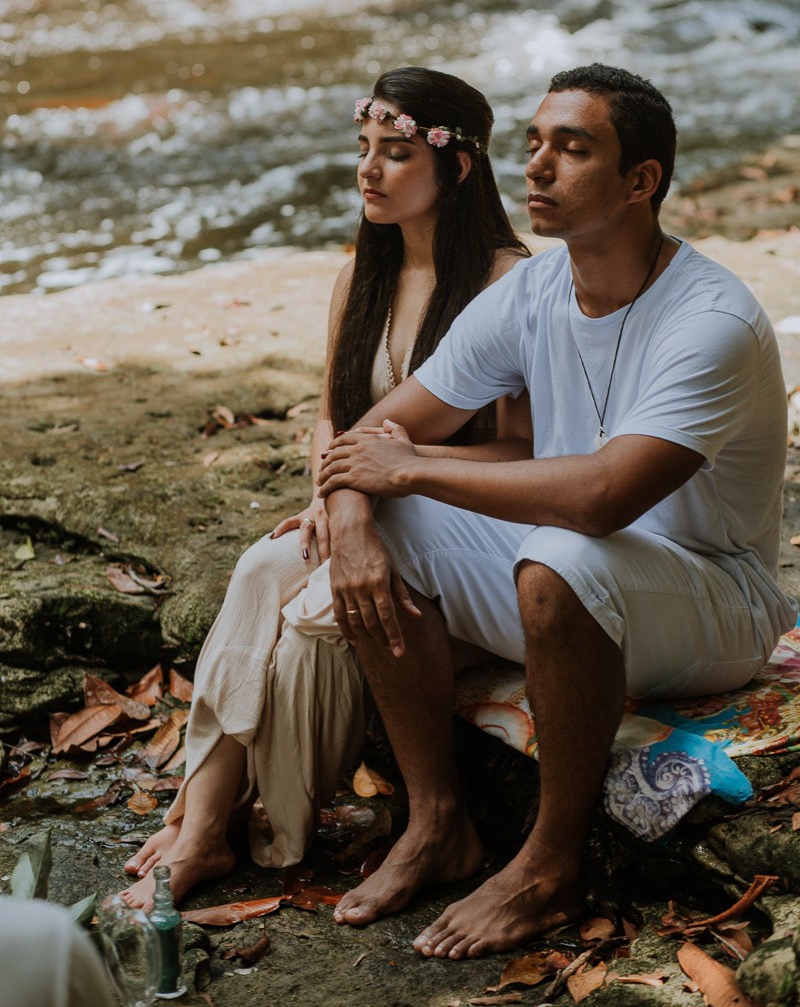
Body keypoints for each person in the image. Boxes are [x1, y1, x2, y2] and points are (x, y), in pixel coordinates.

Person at [316, 63, 798, 959]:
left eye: (572, 148)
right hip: (571, 578)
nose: (537, 166)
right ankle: (438, 820)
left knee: (555, 559)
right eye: (534, 143)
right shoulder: (532, 291)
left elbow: (605, 494)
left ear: (641, 180)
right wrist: (351, 520)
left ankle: (549, 866)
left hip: (714, 604)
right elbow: (383, 427)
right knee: (394, 527)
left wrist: (409, 471)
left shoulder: (713, 318)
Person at [120, 66, 530, 910]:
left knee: (314, 630)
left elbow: (529, 454)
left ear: (456, 169)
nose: (368, 171)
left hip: (475, 539)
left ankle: (250, 827)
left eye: (396, 153)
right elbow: (333, 418)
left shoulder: (507, 282)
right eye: (364, 150)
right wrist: (330, 496)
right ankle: (203, 828)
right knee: (259, 569)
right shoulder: (362, 277)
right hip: (367, 511)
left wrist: (398, 478)